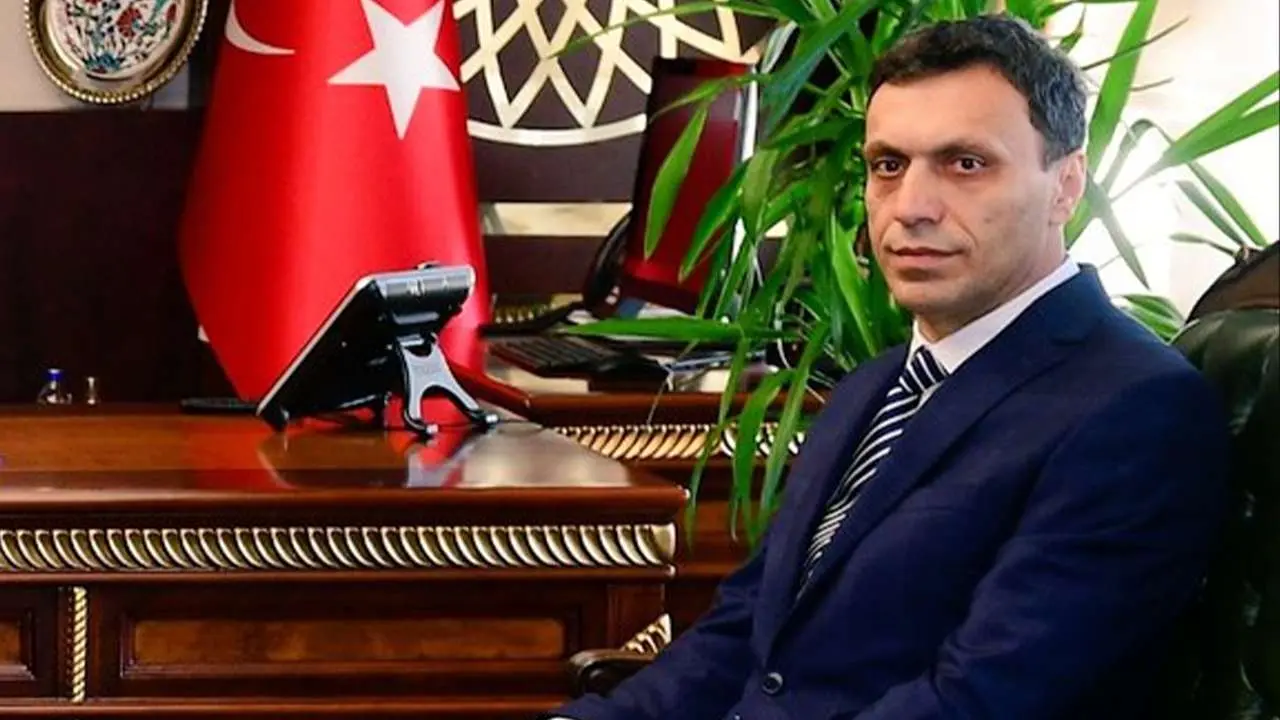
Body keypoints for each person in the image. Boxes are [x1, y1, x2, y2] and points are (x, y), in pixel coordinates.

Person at [545, 13, 1232, 720]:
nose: (911, 208)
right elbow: (738, 641)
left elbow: (979, 700)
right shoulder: (872, 386)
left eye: (966, 164)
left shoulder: (1135, 409)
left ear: (1066, 185)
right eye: (888, 165)